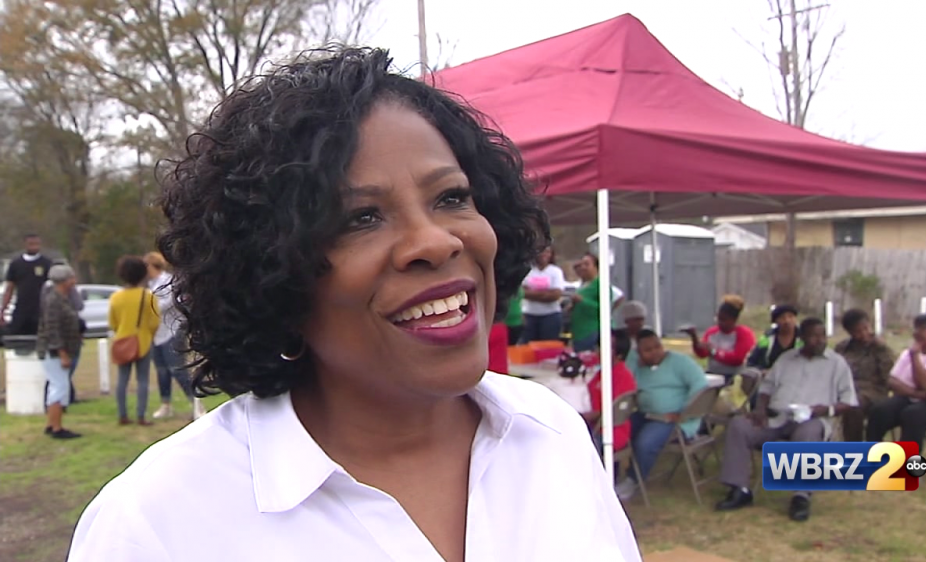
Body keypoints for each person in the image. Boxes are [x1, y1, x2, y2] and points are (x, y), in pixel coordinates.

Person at [68, 48, 641, 562]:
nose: (436, 241)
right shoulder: (158, 524)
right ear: (271, 271)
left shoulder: (552, 433)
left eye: (451, 197)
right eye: (361, 218)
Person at [714, 317, 857, 522]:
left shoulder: (837, 363)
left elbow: (849, 401)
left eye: (823, 336)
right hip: (777, 417)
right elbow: (766, 388)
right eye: (814, 336)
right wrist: (760, 409)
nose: (820, 340)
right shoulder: (786, 359)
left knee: (807, 433)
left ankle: (801, 496)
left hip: (813, 419)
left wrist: (825, 409)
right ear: (802, 337)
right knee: (739, 425)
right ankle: (740, 489)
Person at [616, 329, 708, 501]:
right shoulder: (637, 365)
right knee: (615, 431)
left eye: (657, 347)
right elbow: (626, 379)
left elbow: (701, 386)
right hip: (643, 414)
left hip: (671, 419)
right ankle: (609, 478)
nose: (655, 352)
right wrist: (635, 361)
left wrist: (685, 412)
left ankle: (632, 481)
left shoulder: (680, 362)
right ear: (638, 353)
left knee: (645, 443)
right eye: (647, 350)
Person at [865, 313, 926, 453]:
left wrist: (916, 357)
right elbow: (892, 381)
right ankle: (872, 455)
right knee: (880, 411)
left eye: (923, 329)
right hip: (913, 398)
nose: (916, 333)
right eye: (916, 328)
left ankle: (908, 462)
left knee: (913, 415)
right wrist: (916, 394)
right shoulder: (909, 352)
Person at [145, 252, 200, 420]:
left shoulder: (167, 281)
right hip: (156, 332)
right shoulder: (149, 284)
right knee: (162, 370)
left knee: (177, 369)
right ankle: (166, 405)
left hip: (173, 331)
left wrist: (147, 306)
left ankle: (196, 404)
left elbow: (165, 304)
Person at [109, 256, 161, 426]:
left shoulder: (115, 297)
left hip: (122, 341)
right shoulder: (148, 296)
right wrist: (149, 334)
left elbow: (113, 322)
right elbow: (155, 322)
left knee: (122, 380)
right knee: (143, 380)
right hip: (143, 341)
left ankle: (122, 414)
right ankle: (141, 415)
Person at [36, 265, 83, 439]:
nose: (74, 281)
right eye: (71, 278)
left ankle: (51, 424)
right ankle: (57, 427)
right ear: (64, 280)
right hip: (53, 352)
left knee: (56, 386)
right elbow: (53, 330)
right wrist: (62, 353)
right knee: (59, 386)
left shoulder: (63, 298)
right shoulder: (53, 300)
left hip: (60, 350)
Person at [834, 309, 895, 442]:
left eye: (866, 328)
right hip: (845, 389)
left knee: (852, 405)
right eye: (857, 332)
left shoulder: (880, 348)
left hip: (873, 391)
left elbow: (889, 376)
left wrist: (881, 350)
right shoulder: (842, 348)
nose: (863, 334)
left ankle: (855, 447)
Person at [582, 328, 638, 453]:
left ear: (619, 354)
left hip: (609, 432)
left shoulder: (622, 377)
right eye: (599, 346)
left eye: (604, 347)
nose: (598, 351)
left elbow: (608, 412)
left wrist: (578, 416)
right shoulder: (604, 372)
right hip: (596, 427)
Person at [684, 294, 756, 383]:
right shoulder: (712, 332)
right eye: (718, 318)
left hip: (734, 377)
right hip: (713, 374)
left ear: (734, 319)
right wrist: (694, 339)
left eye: (723, 320)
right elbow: (702, 354)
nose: (719, 322)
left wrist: (714, 352)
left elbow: (737, 359)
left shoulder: (744, 333)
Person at [1, 234, 53, 336]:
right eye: (31, 244)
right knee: (16, 336)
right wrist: (3, 309)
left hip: (40, 309)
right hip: (21, 309)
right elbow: (9, 288)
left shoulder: (46, 263)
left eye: (37, 244)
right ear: (25, 244)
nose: (34, 247)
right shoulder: (16, 264)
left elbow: (52, 287)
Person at [519, 246, 566, 343]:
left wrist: (531, 293)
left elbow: (556, 295)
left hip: (550, 316)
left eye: (547, 252)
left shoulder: (556, 271)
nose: (544, 254)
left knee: (548, 347)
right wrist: (546, 294)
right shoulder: (528, 270)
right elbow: (522, 292)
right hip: (529, 316)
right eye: (541, 251)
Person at [569, 252, 614, 352]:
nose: (583, 267)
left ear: (596, 267)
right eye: (581, 265)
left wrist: (582, 301)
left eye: (587, 264)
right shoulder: (583, 285)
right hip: (579, 332)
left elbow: (604, 309)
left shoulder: (601, 284)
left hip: (592, 331)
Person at [747, 304, 801, 372]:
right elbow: (751, 363)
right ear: (776, 321)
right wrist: (762, 371)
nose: (787, 321)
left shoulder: (804, 338)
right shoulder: (766, 339)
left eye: (790, 316)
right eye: (782, 317)